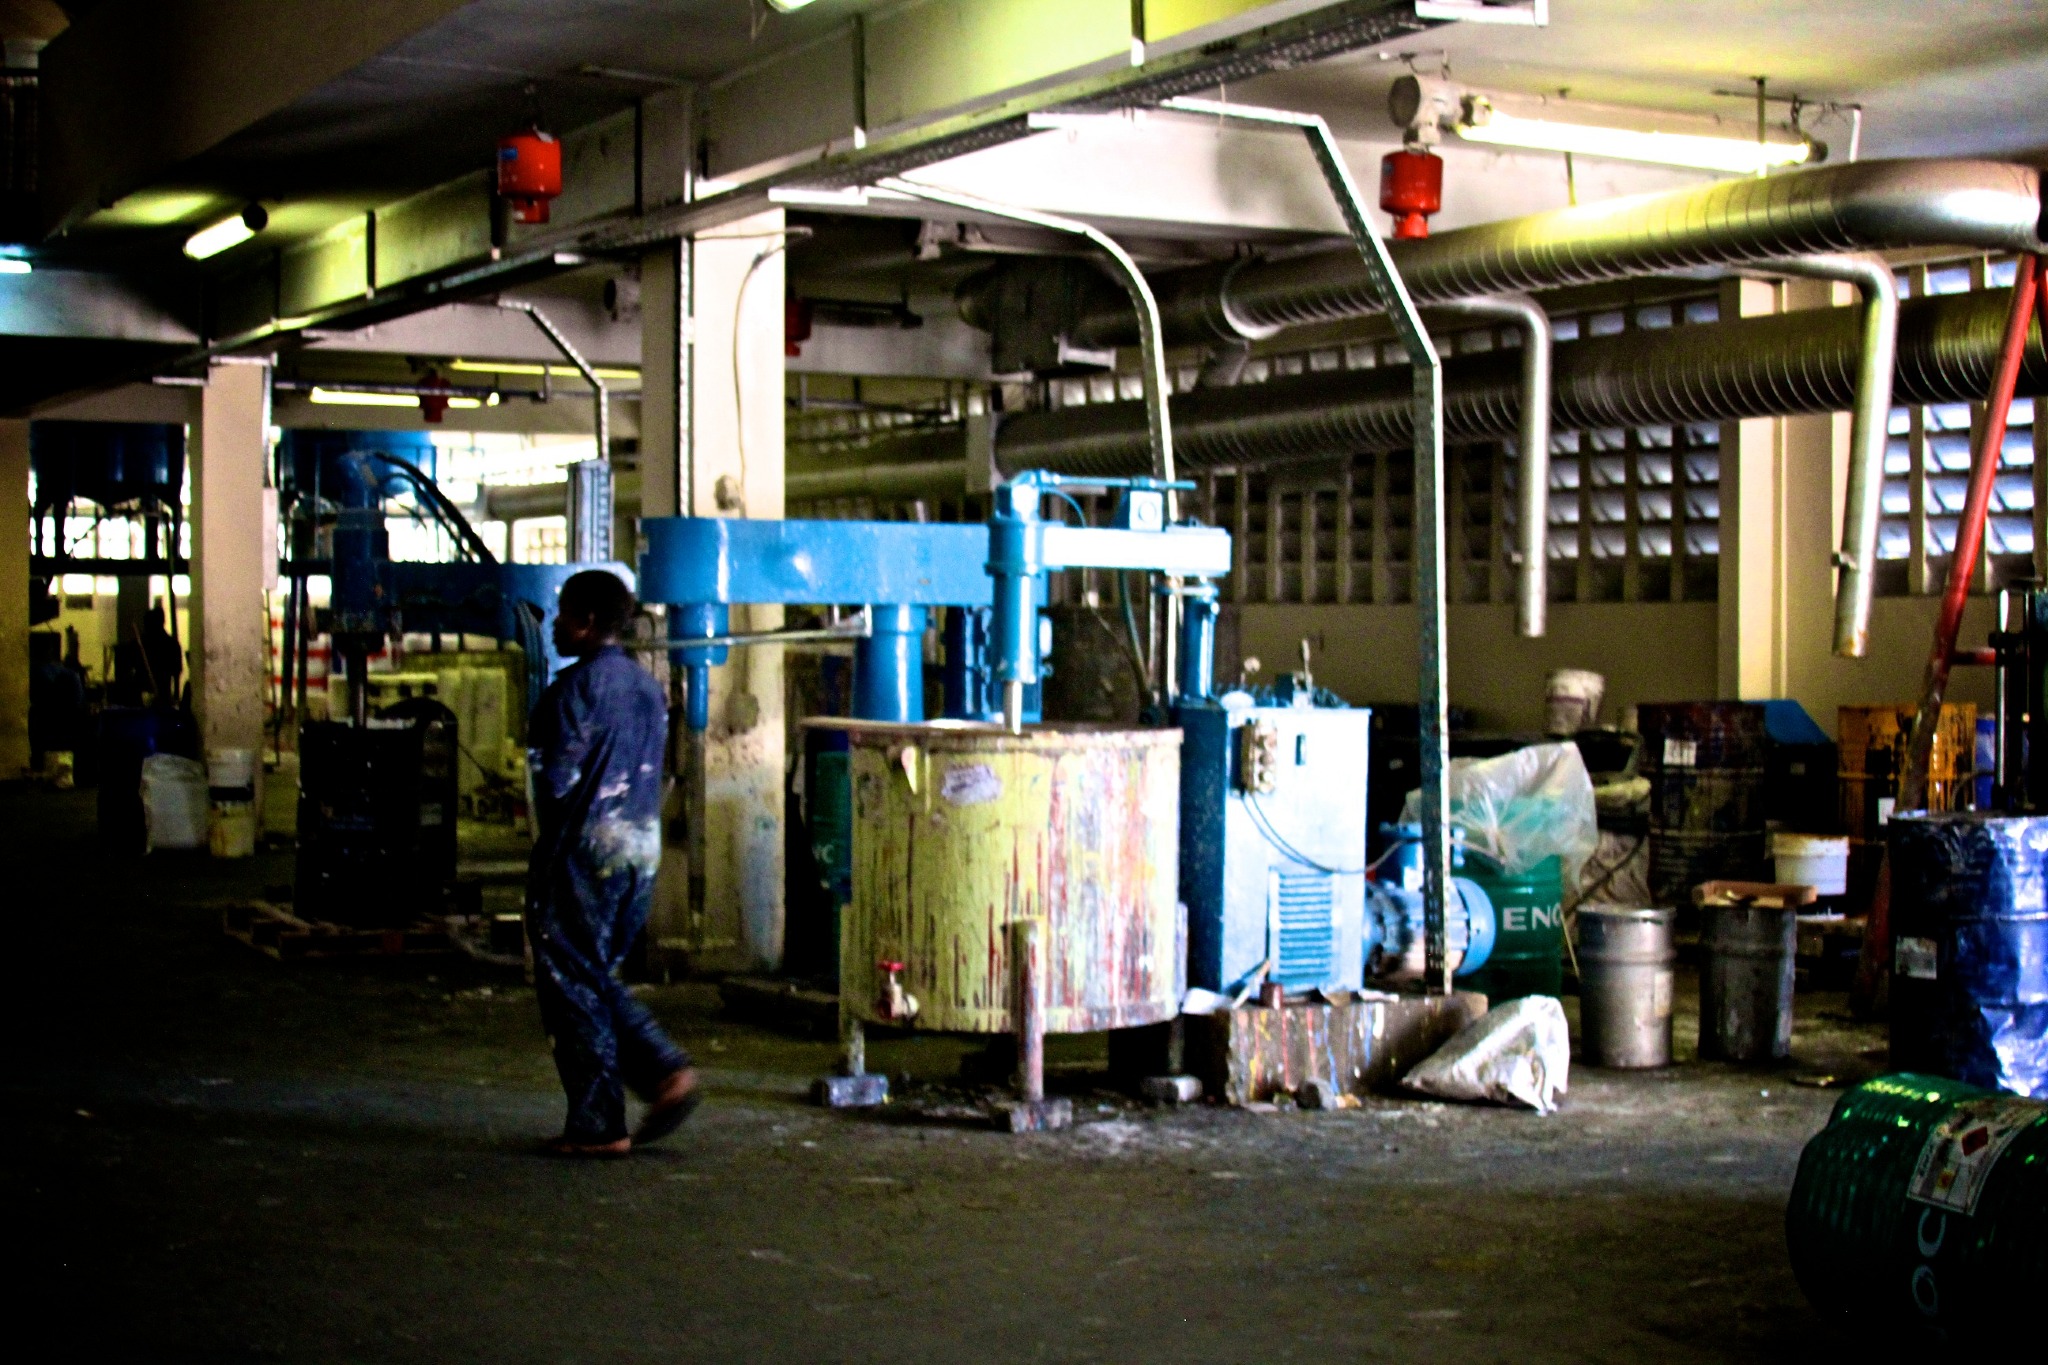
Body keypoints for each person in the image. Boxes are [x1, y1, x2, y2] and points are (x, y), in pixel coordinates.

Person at [526, 570, 697, 1157]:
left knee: (571, 979)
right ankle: (661, 1076)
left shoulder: (573, 692)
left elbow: (555, 784)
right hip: (639, 850)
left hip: (586, 852)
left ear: (588, 621)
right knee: (591, 972)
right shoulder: (646, 688)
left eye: (563, 614)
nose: (555, 626)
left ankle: (607, 1120)